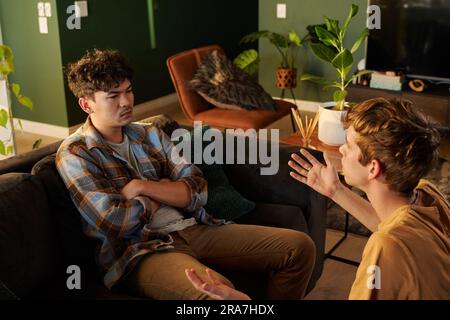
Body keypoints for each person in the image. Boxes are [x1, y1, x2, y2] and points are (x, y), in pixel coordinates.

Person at [56, 48, 316, 300]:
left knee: (300, 248)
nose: (126, 102)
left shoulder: (151, 133)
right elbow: (115, 221)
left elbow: (197, 189)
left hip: (195, 227)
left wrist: (141, 187)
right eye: (113, 96)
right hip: (142, 251)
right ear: (86, 104)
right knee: (217, 292)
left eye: (128, 91)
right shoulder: (76, 153)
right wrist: (166, 190)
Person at [186, 98, 450, 300]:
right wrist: (334, 191)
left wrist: (242, 301)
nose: (341, 150)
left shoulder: (385, 248)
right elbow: (390, 225)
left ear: (373, 168)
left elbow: (389, 237)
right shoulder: (427, 196)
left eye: (349, 144)